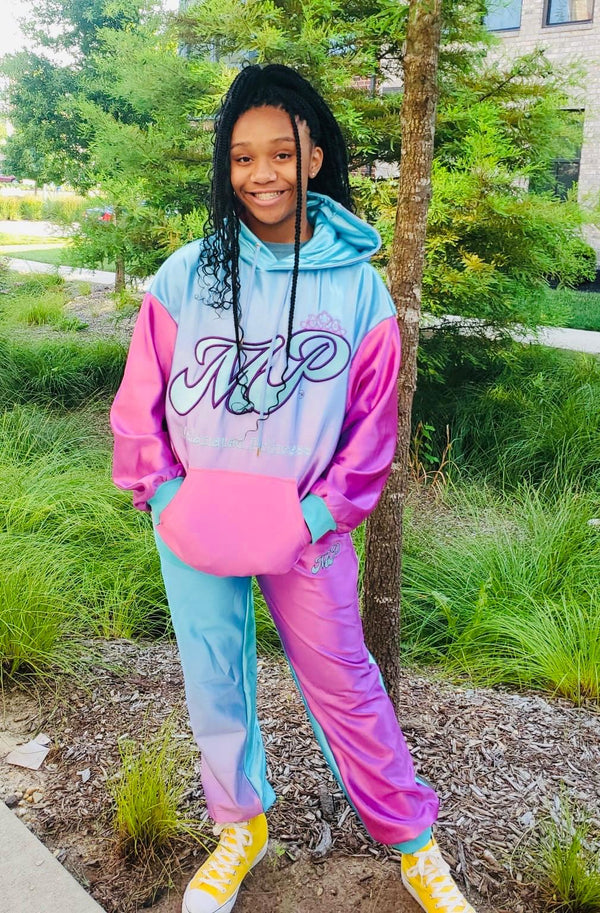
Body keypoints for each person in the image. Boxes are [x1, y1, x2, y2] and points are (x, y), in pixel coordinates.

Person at [110, 63, 477, 913]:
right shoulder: (186, 275)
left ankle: (413, 843)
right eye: (242, 158)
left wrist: (315, 514)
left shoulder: (358, 288)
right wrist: (166, 499)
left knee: (346, 679)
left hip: (305, 530)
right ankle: (239, 827)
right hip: (195, 525)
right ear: (225, 166)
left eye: (282, 153)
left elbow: (371, 432)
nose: (262, 174)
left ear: (314, 158)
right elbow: (139, 405)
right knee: (213, 679)